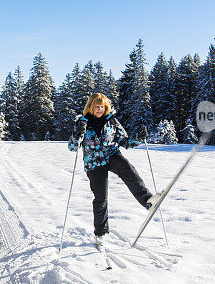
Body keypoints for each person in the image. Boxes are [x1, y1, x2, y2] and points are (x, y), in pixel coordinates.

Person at [68, 92, 159, 246]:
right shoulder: (82, 123)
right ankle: (100, 232)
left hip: (111, 155)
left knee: (129, 170)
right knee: (101, 197)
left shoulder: (112, 122)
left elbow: (125, 141)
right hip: (94, 162)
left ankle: (148, 201)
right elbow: (72, 147)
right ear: (90, 107)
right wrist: (77, 135)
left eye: (102, 107)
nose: (99, 109)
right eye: (96, 106)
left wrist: (138, 137)